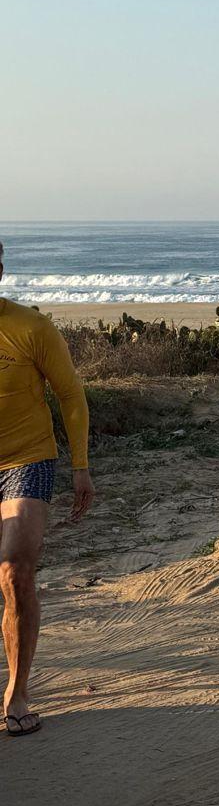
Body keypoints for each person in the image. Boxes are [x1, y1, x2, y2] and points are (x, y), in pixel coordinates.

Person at [0, 241, 93, 736]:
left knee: (14, 571)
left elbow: (70, 395)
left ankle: (17, 692)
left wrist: (80, 466)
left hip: (26, 460)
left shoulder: (31, 328)